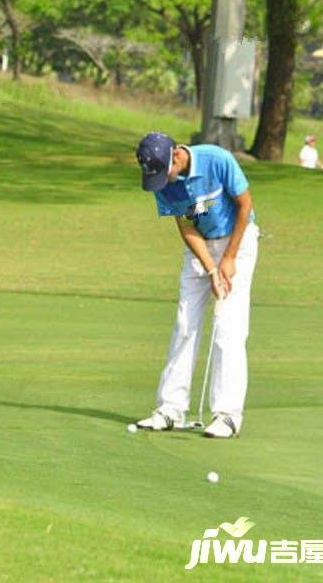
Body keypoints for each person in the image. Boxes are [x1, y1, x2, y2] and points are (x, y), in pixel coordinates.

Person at [133, 133, 259, 438]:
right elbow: (186, 225)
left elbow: (245, 206)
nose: (162, 182)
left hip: (237, 241)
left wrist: (228, 260)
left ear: (176, 155)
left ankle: (228, 415)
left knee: (227, 327)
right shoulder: (162, 181)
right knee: (185, 323)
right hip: (200, 247)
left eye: (165, 173)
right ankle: (170, 408)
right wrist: (211, 269)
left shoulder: (217, 159)